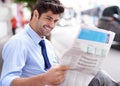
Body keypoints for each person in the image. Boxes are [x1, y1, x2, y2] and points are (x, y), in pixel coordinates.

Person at [0, 0, 120, 86]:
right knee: (98, 78)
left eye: (56, 21)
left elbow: (53, 70)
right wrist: (44, 79)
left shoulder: (47, 45)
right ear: (36, 14)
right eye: (48, 18)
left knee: (96, 74)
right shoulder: (18, 43)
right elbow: (5, 82)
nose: (52, 25)